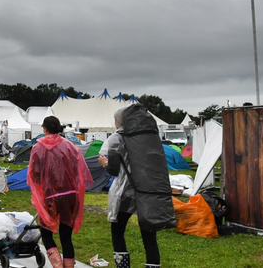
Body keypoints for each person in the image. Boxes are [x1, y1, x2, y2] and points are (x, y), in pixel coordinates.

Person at [98, 105, 176, 268]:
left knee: (118, 231)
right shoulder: (149, 137)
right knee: (149, 236)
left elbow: (113, 169)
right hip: (148, 191)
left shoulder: (116, 138)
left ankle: (123, 267)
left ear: (118, 121)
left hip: (125, 193)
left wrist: (105, 163)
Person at [27, 116, 92, 268]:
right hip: (70, 195)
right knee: (66, 237)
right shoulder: (70, 146)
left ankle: (58, 266)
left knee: (46, 232)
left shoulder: (38, 148)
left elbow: (34, 173)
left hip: (50, 196)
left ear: (45, 129)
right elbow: (78, 170)